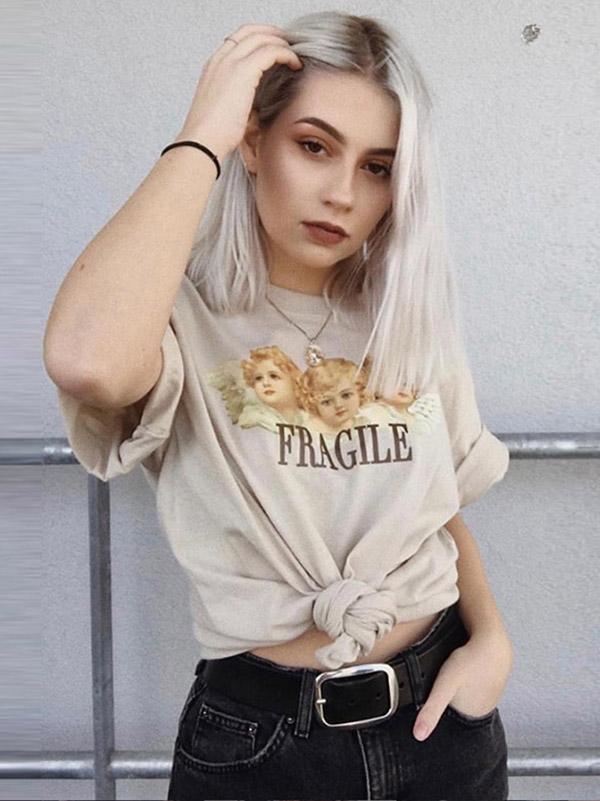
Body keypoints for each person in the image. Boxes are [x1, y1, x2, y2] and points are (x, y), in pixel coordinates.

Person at [43, 10, 514, 801]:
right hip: (261, 744)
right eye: (314, 146)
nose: (342, 193)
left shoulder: (406, 315)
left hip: (440, 726)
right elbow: (86, 362)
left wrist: (493, 639)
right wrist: (203, 133)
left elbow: (439, 506)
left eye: (377, 167)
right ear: (254, 143)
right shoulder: (178, 317)